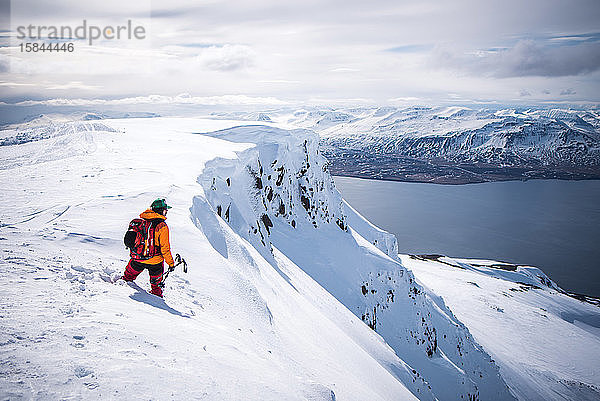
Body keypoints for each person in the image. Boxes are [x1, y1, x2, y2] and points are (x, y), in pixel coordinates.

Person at [122, 198, 175, 297]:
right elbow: (165, 248)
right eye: (165, 210)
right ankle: (156, 299)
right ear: (160, 211)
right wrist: (171, 263)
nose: (166, 212)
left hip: (138, 258)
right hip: (155, 261)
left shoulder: (140, 222)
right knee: (156, 287)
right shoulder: (162, 226)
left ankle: (119, 290)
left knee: (127, 278)